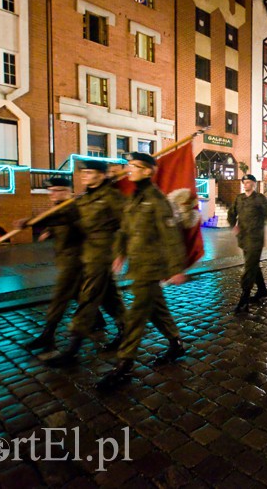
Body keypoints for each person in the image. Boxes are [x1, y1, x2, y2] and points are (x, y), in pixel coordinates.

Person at [98, 152, 188, 389]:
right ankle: (176, 343)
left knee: (136, 316)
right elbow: (124, 231)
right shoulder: (134, 198)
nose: (129, 169)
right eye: (128, 165)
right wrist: (120, 252)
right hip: (137, 265)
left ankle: (124, 365)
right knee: (156, 309)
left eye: (134, 166)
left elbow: (170, 235)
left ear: (148, 171)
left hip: (151, 267)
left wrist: (176, 268)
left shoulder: (157, 200)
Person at [45, 160, 126, 367]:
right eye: (83, 172)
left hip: (101, 256)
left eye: (89, 172)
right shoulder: (84, 199)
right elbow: (67, 217)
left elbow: (126, 225)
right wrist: (31, 223)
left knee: (88, 298)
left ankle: (72, 350)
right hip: (87, 255)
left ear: (101, 175)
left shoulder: (111, 197)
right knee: (109, 298)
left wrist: (120, 252)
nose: (83, 176)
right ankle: (127, 330)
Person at [20, 177, 84, 352]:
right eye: (51, 191)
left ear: (69, 191)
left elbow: (60, 219)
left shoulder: (72, 207)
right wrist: (49, 232)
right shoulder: (59, 207)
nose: (53, 194)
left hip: (77, 260)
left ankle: (48, 334)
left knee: (60, 296)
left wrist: (31, 222)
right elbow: (56, 222)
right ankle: (111, 322)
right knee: (96, 297)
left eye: (59, 190)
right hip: (65, 258)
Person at [228, 174, 267, 313]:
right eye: (244, 182)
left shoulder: (260, 199)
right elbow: (231, 213)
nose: (245, 184)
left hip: (255, 239)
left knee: (249, 267)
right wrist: (233, 225)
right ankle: (262, 290)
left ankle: (244, 299)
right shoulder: (239, 198)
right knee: (253, 265)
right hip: (243, 238)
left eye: (248, 182)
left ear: (254, 184)